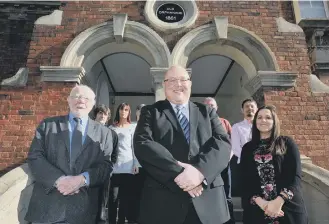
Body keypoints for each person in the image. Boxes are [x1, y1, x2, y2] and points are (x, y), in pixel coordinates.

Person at [134, 65, 231, 224]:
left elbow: (223, 143)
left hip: (208, 202)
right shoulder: (151, 112)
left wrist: (199, 173)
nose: (177, 84)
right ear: (164, 85)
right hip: (164, 202)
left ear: (190, 83)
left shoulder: (207, 112)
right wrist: (180, 174)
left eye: (182, 79)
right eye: (171, 80)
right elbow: (143, 144)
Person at [25, 85, 115, 224]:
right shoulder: (48, 125)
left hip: (84, 211)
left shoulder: (105, 133)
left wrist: (82, 180)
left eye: (86, 98)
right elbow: (35, 156)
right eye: (77, 96)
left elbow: (106, 166)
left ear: (92, 104)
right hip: (47, 209)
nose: (81, 100)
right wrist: (59, 180)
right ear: (68, 100)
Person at [240, 105, 308, 224]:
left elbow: (295, 177)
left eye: (268, 117)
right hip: (257, 210)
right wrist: (263, 203)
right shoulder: (247, 148)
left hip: (287, 208)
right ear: (255, 121)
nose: (263, 120)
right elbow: (244, 181)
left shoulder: (287, 143)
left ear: (274, 121)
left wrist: (278, 202)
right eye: (259, 117)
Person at [203, 97, 235, 224]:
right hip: (206, 165)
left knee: (226, 193)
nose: (210, 107)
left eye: (212, 105)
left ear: (216, 108)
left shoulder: (224, 122)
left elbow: (232, 143)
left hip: (223, 164)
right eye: (207, 105)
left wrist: (227, 158)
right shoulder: (199, 123)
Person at [108, 103, 140, 224]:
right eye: (121, 109)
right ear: (118, 111)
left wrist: (136, 163)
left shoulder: (132, 127)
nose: (123, 111)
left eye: (126, 109)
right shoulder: (111, 128)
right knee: (113, 198)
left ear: (129, 112)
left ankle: (121, 221)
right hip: (114, 168)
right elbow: (108, 148)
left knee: (125, 199)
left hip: (128, 167)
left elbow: (134, 147)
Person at [93, 104, 119, 222]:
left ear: (108, 117)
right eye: (100, 113)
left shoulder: (112, 134)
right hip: (86, 170)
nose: (102, 116)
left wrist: (109, 168)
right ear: (95, 114)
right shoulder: (86, 129)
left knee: (102, 201)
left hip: (104, 172)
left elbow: (114, 154)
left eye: (105, 114)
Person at [230, 98, 258, 196]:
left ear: (257, 109)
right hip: (245, 165)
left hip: (263, 164)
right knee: (249, 195)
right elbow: (236, 148)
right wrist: (252, 158)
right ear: (242, 110)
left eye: (252, 106)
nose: (249, 108)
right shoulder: (237, 127)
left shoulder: (262, 126)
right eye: (246, 106)